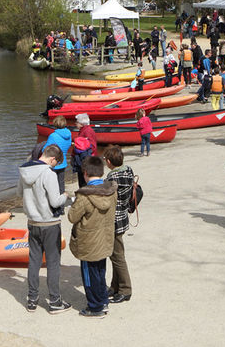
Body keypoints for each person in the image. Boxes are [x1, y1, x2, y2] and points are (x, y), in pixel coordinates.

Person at [19, 144, 73, 313]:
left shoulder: (24, 171)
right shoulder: (48, 173)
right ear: (52, 159)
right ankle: (55, 301)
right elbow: (55, 202)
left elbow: (20, 193)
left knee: (34, 261)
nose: (54, 167)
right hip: (49, 223)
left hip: (32, 222)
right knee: (53, 263)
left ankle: (32, 299)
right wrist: (65, 196)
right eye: (55, 164)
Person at [68, 155, 117, 318]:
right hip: (105, 238)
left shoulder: (85, 196)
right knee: (100, 271)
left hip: (89, 241)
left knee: (90, 275)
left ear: (85, 173)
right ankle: (102, 300)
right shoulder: (111, 191)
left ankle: (95, 307)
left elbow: (72, 217)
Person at [103, 145, 135, 304]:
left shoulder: (111, 178)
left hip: (114, 219)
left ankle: (125, 289)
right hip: (123, 215)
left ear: (109, 162)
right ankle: (115, 286)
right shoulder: (128, 170)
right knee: (116, 254)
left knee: (117, 256)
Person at [43, 116, 73, 192]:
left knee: (52, 184)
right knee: (61, 183)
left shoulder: (53, 136)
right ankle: (61, 202)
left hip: (54, 163)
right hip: (63, 162)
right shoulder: (69, 134)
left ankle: (53, 201)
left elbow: (45, 149)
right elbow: (69, 145)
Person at [71, 114, 97, 187]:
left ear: (82, 124)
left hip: (85, 160)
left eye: (77, 122)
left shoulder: (87, 131)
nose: (75, 124)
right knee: (83, 180)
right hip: (85, 160)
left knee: (84, 181)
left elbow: (92, 146)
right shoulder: (84, 130)